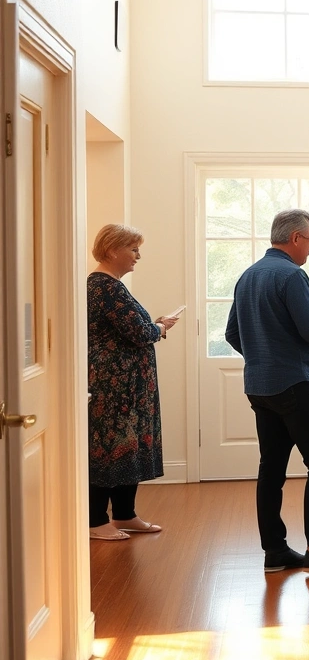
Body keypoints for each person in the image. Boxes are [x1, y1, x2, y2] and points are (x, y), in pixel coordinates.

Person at [225, 209, 309, 574]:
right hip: (294, 384)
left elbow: (232, 334)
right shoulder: (291, 275)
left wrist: (261, 356)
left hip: (259, 387)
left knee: (271, 468)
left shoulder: (248, 276)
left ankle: (275, 551)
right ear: (296, 238)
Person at [87, 224, 179, 541]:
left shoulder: (110, 286)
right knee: (109, 448)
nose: (138, 256)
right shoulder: (105, 287)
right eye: (134, 249)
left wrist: (155, 325)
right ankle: (95, 520)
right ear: (113, 250)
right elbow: (139, 332)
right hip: (113, 386)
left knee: (127, 446)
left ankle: (124, 515)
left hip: (126, 385)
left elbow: (131, 329)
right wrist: (160, 327)